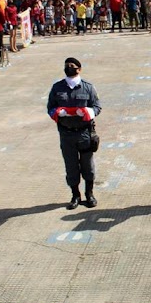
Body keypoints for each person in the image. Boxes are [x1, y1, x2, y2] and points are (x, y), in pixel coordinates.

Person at [47, 57, 102, 210]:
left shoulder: (88, 88)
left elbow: (97, 107)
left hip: (84, 133)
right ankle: (75, 195)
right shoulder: (57, 88)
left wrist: (88, 112)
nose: (69, 68)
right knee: (71, 166)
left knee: (88, 166)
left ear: (79, 69)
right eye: (66, 66)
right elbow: (50, 107)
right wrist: (58, 113)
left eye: (72, 66)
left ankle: (89, 194)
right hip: (66, 134)